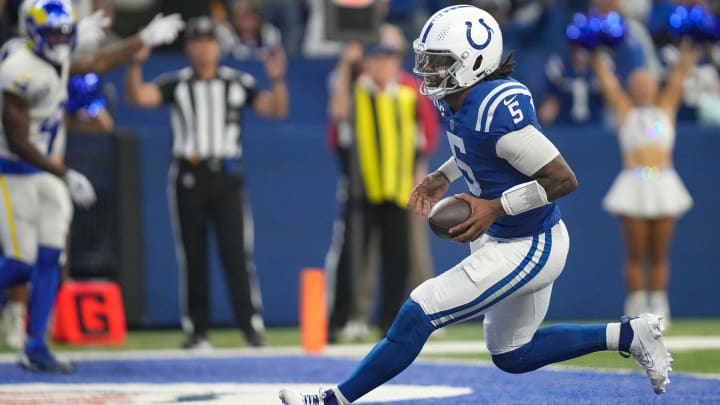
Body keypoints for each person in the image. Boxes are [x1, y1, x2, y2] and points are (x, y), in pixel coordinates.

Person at [279, 6, 672, 404]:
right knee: (513, 354)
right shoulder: (456, 95)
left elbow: (562, 179)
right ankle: (629, 334)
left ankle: (332, 400)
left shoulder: (496, 109)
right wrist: (444, 175)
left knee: (419, 310)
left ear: (474, 63)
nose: (428, 70)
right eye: (427, 59)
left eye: (439, 61)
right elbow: (479, 148)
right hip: (505, 238)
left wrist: (492, 208)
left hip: (531, 243)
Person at [0, 0, 183, 371]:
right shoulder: (17, 68)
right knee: (21, 263)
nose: (61, 41)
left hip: (47, 174)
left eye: (65, 33)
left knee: (52, 256)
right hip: (14, 172)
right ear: (33, 33)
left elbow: (97, 63)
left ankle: (35, 343)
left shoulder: (54, 57)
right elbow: (17, 138)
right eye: (53, 34)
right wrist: (64, 173)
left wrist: (140, 39)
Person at [125, 16, 288, 350]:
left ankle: (251, 328)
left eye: (209, 42)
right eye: (197, 42)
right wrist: (134, 65)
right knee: (193, 255)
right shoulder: (178, 84)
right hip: (189, 175)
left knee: (236, 255)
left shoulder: (237, 83)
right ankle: (197, 331)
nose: (204, 49)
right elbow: (140, 98)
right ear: (189, 48)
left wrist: (278, 79)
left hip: (226, 175)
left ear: (218, 46)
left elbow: (275, 109)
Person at [592, 39, 697, 329]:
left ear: (655, 87)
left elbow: (679, 75)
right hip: (634, 183)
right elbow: (607, 82)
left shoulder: (666, 107)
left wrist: (691, 43)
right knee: (636, 253)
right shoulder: (625, 111)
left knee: (660, 253)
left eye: (647, 84)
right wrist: (596, 51)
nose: (642, 89)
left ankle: (660, 306)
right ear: (631, 89)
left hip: (663, 182)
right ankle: (636, 307)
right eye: (637, 85)